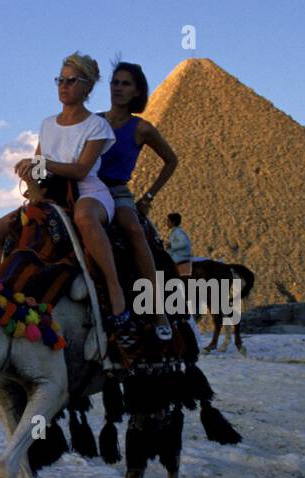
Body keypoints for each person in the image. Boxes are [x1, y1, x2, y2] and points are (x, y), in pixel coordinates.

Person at [0, 52, 130, 331]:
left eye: (71, 80)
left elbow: (81, 169)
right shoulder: (48, 124)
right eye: (60, 80)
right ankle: (1, 295)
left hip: (87, 191)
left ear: (87, 86)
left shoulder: (97, 125)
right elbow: (40, 170)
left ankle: (114, 289)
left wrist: (42, 163)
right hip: (52, 194)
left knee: (85, 218)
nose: (63, 86)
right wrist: (29, 175)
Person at [99, 60, 179, 340]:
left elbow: (171, 161)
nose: (118, 88)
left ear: (136, 92)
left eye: (125, 83)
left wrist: (149, 196)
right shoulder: (92, 122)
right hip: (86, 190)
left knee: (134, 231)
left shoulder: (141, 128)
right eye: (114, 82)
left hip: (117, 192)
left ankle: (158, 309)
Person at [166, 212, 193, 277]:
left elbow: (184, 243)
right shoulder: (175, 232)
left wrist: (171, 245)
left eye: (168, 221)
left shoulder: (178, 232)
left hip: (179, 257)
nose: (167, 223)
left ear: (173, 222)